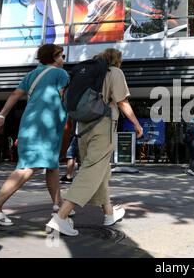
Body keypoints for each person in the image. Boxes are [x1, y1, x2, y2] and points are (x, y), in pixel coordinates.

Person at [46, 48, 143, 236]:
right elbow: (122, 102)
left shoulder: (85, 73)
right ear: (117, 60)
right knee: (92, 170)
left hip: (83, 126)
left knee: (101, 170)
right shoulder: (114, 72)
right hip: (103, 126)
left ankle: (108, 213)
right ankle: (61, 217)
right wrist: (137, 124)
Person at [0, 44, 71, 226]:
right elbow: (65, 100)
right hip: (46, 126)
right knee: (29, 167)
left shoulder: (32, 74)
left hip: (31, 123)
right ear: (54, 57)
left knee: (52, 166)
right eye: (62, 56)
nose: (63, 59)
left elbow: (15, 94)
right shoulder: (61, 74)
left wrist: (1, 115)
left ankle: (59, 204)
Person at [60, 119, 79, 184]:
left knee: (71, 154)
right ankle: (69, 175)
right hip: (80, 133)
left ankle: (69, 175)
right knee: (73, 154)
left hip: (77, 133)